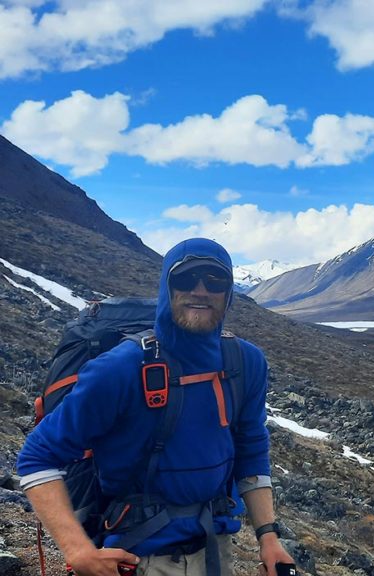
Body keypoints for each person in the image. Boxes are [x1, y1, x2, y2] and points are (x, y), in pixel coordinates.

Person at [18, 238, 295, 576]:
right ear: (167, 287)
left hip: (215, 552)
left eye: (215, 280)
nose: (200, 290)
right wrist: (77, 549)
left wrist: (268, 536)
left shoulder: (245, 362)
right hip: (137, 558)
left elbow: (251, 446)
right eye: (185, 278)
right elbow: (37, 456)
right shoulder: (120, 368)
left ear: (229, 292)